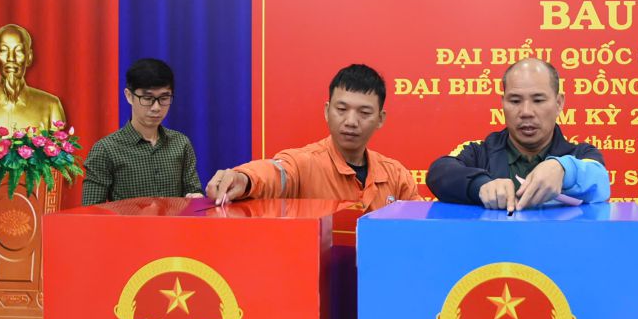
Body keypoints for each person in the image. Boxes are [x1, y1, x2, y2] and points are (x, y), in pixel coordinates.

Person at [205, 64, 418, 209]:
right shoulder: (303, 164)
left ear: (380, 119)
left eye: (364, 113)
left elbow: (422, 229)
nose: (351, 121)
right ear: (327, 111)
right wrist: (245, 179)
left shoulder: (396, 176)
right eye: (341, 109)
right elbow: (276, 172)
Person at [427, 58, 610, 211]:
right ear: (503, 103)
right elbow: (439, 172)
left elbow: (600, 181)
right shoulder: (480, 153)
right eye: (515, 101)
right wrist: (480, 185)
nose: (526, 112)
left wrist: (563, 169)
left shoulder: (580, 154)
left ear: (559, 103)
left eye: (538, 100)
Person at [82, 58, 202, 205]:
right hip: (127, 221)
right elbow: (91, 210)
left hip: (175, 221)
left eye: (164, 98)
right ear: (129, 96)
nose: (156, 107)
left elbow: (193, 191)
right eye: (147, 98)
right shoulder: (105, 150)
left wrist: (196, 198)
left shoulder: (181, 143)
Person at [0, 23, 66, 132]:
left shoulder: (51, 106)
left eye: (19, 51)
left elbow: (57, 141)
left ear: (29, 57)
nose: (11, 58)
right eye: (4, 50)